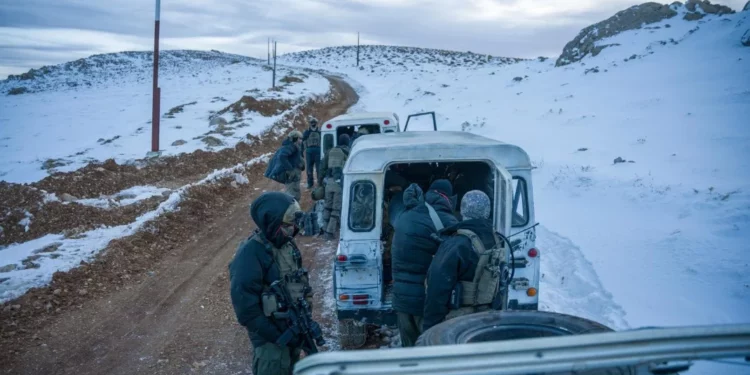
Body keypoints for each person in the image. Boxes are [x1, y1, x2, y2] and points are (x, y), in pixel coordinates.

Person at [229, 192, 319, 375]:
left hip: (292, 332)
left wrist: (304, 316)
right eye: (287, 226)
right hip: (271, 343)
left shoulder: (288, 246)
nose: (293, 230)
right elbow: (246, 309)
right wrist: (277, 335)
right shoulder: (251, 253)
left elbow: (300, 281)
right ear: (271, 222)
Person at [422, 190, 506, 333]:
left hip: (459, 321)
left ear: (462, 210)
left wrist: (430, 327)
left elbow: (437, 288)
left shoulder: (457, 243)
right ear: (487, 211)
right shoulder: (497, 239)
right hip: (488, 318)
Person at [391, 180, 458, 347]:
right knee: (429, 349)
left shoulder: (406, 215)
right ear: (448, 198)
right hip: (426, 301)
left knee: (410, 351)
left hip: (401, 299)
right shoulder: (447, 221)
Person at [320, 134, 351, 240]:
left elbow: (323, 166)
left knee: (327, 206)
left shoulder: (330, 151)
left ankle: (324, 228)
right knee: (336, 209)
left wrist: (321, 182)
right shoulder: (348, 151)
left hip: (329, 182)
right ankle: (329, 232)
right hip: (339, 183)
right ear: (347, 142)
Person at [264, 130, 305, 201]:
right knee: (293, 193)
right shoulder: (291, 146)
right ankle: (293, 210)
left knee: (293, 191)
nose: (301, 141)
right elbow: (282, 156)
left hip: (294, 174)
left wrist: (301, 164)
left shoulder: (292, 146)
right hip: (292, 175)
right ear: (294, 138)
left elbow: (295, 158)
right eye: (299, 138)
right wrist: (290, 169)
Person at [301, 116, 322, 189]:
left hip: (317, 151)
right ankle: (310, 183)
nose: (313, 124)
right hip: (309, 151)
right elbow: (302, 142)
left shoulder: (320, 132)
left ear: (316, 123)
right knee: (309, 168)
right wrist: (301, 152)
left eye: (314, 122)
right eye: (312, 122)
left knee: (319, 168)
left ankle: (320, 182)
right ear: (310, 124)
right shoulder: (306, 132)